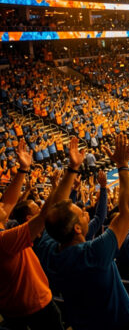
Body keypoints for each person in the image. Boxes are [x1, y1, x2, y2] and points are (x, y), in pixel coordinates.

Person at [38, 135, 129, 330]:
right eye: (83, 214)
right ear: (77, 228)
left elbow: (54, 208)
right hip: (119, 324)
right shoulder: (95, 253)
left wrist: (72, 168)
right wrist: (123, 165)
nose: (86, 212)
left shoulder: (49, 251)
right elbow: (128, 211)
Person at [0, 141, 74, 330]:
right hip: (34, 307)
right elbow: (46, 214)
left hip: (11, 308)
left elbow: (8, 203)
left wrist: (23, 170)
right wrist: (72, 170)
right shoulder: (4, 241)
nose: (1, 204)